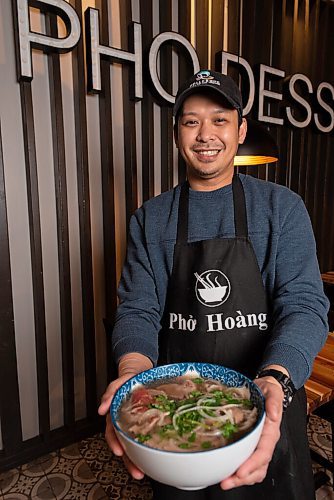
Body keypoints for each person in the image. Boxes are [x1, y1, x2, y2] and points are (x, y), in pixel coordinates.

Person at [98, 69, 329, 499]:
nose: (206, 134)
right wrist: (134, 378)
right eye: (191, 121)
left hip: (268, 404)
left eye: (220, 119)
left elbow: (304, 305)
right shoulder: (150, 219)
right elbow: (137, 308)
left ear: (241, 130)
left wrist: (275, 380)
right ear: (176, 134)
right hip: (179, 414)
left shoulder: (282, 209)